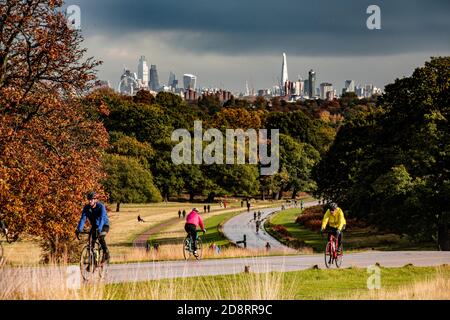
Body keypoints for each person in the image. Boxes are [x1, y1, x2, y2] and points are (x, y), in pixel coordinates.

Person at [75, 192, 110, 262]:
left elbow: (102, 218)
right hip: (94, 226)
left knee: (100, 237)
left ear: (96, 200)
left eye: (92, 199)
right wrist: (79, 229)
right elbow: (83, 219)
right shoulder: (86, 208)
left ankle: (106, 253)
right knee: (91, 244)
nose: (90, 201)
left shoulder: (101, 207)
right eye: (89, 200)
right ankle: (92, 263)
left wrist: (99, 229)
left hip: (104, 225)